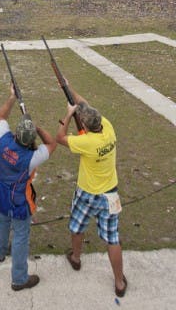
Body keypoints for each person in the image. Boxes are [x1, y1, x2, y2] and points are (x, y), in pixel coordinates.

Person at [56, 83, 127, 298]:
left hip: (86, 193)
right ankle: (119, 282)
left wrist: (68, 115)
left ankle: (76, 258)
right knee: (112, 239)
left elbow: (60, 138)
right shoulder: (108, 127)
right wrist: (67, 87)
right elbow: (85, 104)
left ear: (85, 126)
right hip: (110, 193)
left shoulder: (86, 142)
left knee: (77, 226)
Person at [0, 85, 57, 291]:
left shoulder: (2, 138)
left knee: (2, 222)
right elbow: (51, 144)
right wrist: (38, 129)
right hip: (18, 201)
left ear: (16, 134)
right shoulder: (32, 157)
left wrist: (11, 97)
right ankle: (19, 278)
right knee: (20, 236)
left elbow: (1, 116)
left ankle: (0, 253)